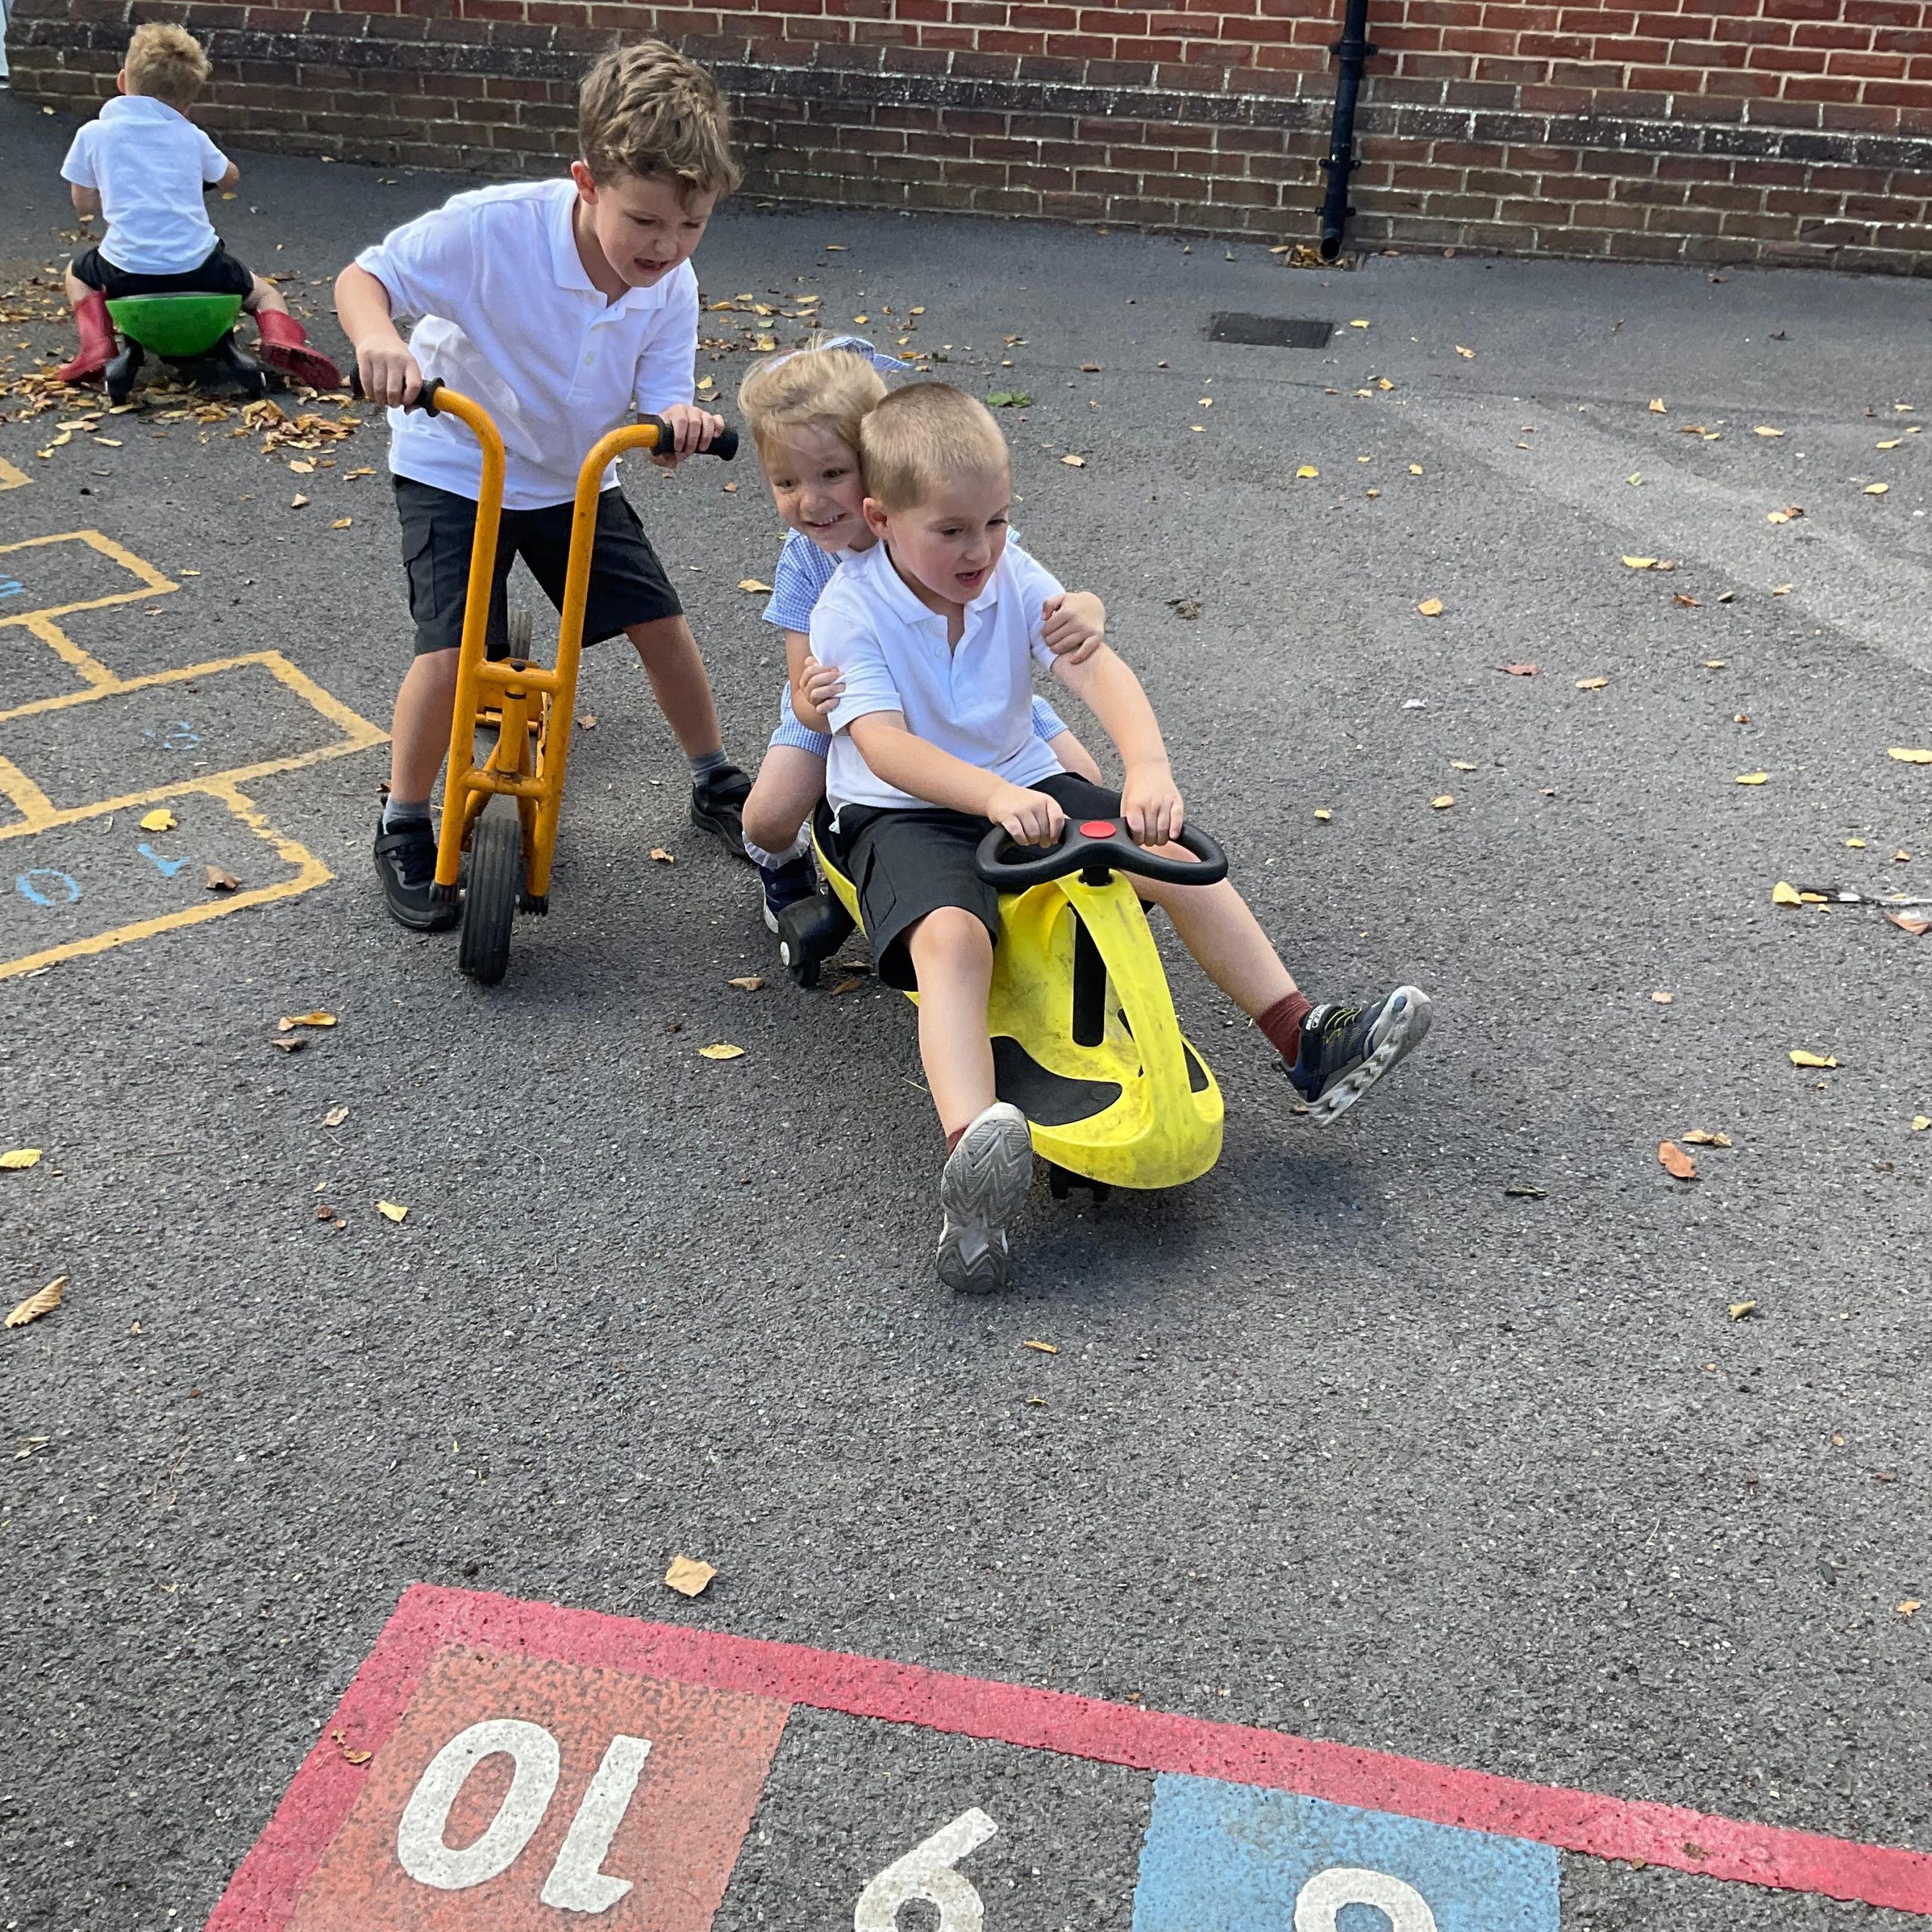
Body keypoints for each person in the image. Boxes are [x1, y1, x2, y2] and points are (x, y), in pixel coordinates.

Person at [812, 384, 1433, 1294]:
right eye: (951, 531)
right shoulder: (851, 609)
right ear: (881, 517)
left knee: (1173, 856)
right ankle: (973, 1151)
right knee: (953, 938)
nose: (980, 549)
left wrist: (1146, 767)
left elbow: (1092, 666)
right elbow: (884, 746)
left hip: (1018, 779)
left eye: (997, 520)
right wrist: (986, 795)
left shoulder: (1011, 574)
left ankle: (1303, 1036)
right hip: (901, 805)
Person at [334, 38, 755, 931]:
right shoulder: (494, 230)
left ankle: (714, 775)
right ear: (587, 182)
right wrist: (381, 340)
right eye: (645, 221)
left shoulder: (671, 284)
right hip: (459, 460)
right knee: (452, 653)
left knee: (659, 621)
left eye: (691, 226)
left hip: (574, 474)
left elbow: (662, 396)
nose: (666, 247)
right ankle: (404, 818)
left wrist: (675, 425)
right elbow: (366, 276)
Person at [735, 334, 1107, 934]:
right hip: (845, 709)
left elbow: (1022, 585)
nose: (812, 501)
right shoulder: (807, 561)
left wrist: (1086, 606)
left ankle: (1035, 897)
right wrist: (809, 705)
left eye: (833, 473)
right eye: (786, 483)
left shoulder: (940, 524)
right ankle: (795, 874)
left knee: (1085, 784)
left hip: (964, 692)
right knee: (768, 817)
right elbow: (808, 689)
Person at [56, 24, 341, 390]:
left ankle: (97, 346)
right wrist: (208, 177)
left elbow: (85, 203)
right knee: (264, 292)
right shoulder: (190, 135)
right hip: (201, 266)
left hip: (124, 270)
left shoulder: (93, 134)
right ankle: (283, 339)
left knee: (76, 275)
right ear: (187, 104)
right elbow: (231, 177)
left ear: (123, 81)